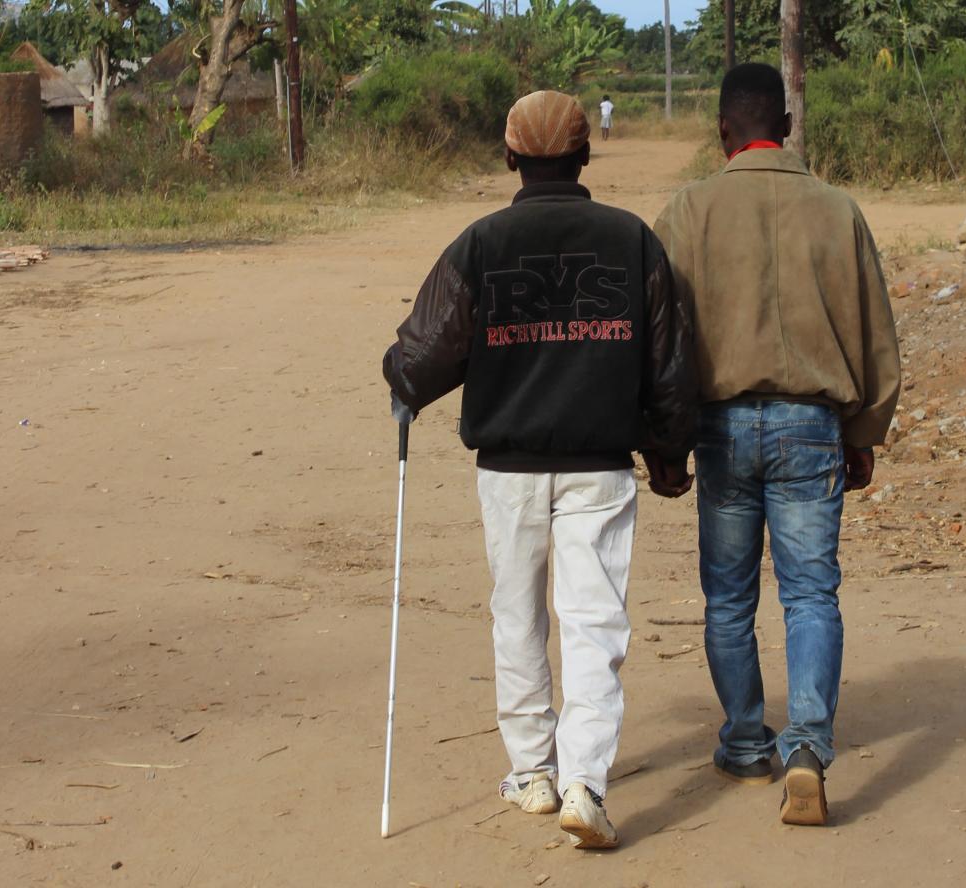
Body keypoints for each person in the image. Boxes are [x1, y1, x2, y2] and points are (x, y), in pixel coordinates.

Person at [383, 90, 697, 850]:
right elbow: (669, 361)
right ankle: (585, 781)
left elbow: (424, 357)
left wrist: (402, 377)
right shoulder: (632, 241)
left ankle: (532, 772)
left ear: (510, 155)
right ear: (586, 155)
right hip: (599, 466)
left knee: (515, 613)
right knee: (594, 624)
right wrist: (668, 449)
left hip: (509, 470)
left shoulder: (481, 244)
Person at [653, 63, 900, 826]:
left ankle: (743, 743)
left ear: (723, 131)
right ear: (786, 127)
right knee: (810, 593)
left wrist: (664, 440)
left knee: (730, 597)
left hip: (721, 429)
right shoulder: (837, 210)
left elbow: (662, 342)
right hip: (812, 425)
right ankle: (808, 748)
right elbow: (875, 334)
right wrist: (863, 434)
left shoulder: (687, 211)